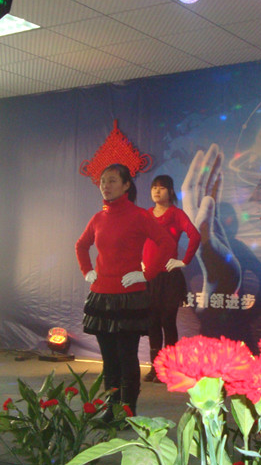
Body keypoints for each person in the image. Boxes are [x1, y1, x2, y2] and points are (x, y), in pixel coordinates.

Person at [75, 164, 175, 419]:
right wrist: (87, 270)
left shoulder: (139, 216)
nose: (105, 186)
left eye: (111, 180)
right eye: (102, 181)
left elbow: (166, 243)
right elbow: (81, 245)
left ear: (126, 185)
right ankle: (111, 407)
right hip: (102, 295)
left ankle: (127, 411)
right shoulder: (98, 218)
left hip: (129, 296)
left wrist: (147, 273)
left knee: (127, 356)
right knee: (109, 359)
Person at [142, 175, 201, 382]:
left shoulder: (176, 214)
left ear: (171, 191)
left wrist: (183, 261)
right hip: (149, 278)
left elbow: (195, 235)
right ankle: (155, 368)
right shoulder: (146, 214)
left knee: (167, 321)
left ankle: (169, 369)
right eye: (154, 188)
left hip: (169, 278)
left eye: (161, 188)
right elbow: (135, 239)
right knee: (152, 323)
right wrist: (140, 261)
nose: (157, 191)